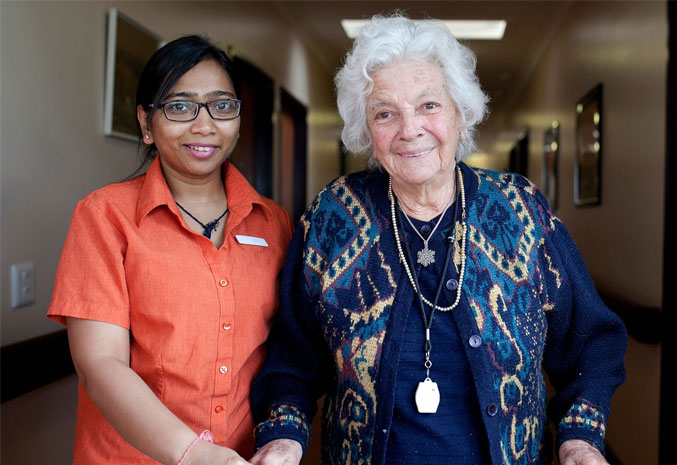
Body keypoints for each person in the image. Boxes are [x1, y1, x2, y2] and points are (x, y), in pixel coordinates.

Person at [249, 14, 626, 465]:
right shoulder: (333, 214)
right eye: (385, 113)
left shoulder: (520, 208)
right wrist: (283, 440)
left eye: (429, 106)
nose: (409, 129)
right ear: (368, 133)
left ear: (461, 117)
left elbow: (593, 341)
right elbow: (293, 358)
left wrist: (579, 441)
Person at [47, 35, 293, 465]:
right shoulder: (104, 216)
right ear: (146, 122)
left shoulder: (273, 223)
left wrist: (282, 438)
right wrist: (196, 455)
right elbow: (100, 364)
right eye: (180, 107)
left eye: (222, 105)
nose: (204, 125)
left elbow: (285, 351)